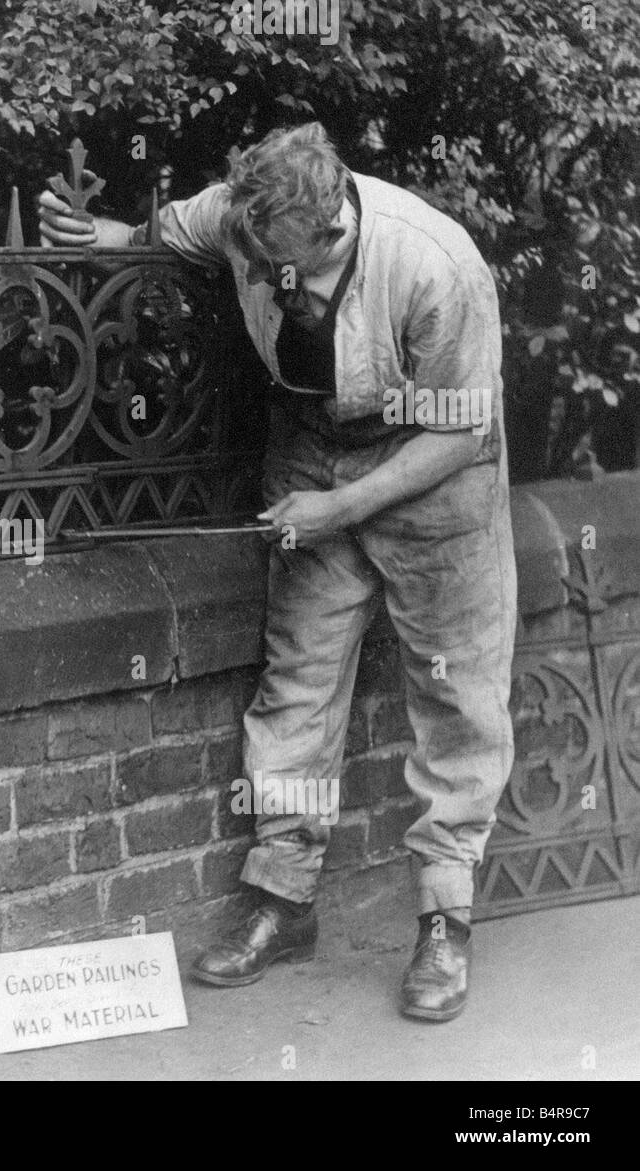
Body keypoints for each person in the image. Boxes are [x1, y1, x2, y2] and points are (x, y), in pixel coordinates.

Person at [38, 122, 516, 1022]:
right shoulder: (245, 218)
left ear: (333, 231)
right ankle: (283, 897)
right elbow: (156, 237)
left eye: (278, 266)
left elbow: (460, 431)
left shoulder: (432, 264)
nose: (260, 278)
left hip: (431, 471)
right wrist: (95, 236)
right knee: (297, 682)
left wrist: (341, 508)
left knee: (457, 695)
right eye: (251, 258)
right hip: (310, 447)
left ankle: (445, 918)